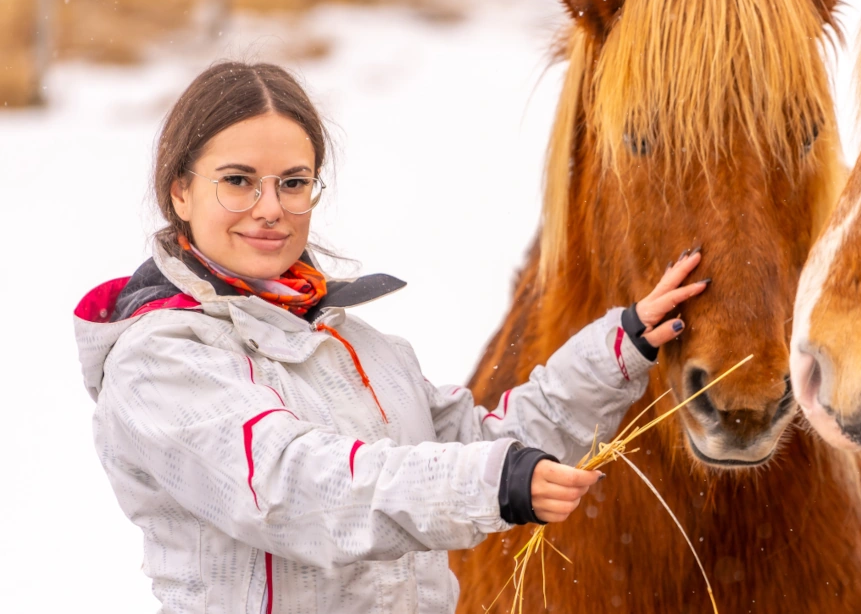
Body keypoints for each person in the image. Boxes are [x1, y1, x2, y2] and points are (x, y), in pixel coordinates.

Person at [72, 61, 708, 614]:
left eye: (293, 183)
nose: (270, 207)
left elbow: (482, 441)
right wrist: (492, 484)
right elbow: (293, 486)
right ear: (180, 190)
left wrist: (622, 346)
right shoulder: (159, 359)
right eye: (238, 181)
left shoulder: (358, 346)